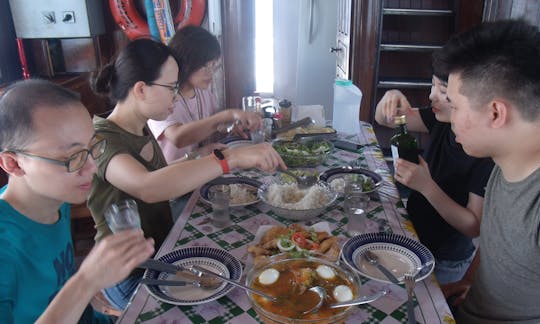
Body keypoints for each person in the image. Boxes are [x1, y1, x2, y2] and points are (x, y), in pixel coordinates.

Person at [89, 38, 285, 310]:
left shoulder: (137, 126)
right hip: (128, 273)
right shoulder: (101, 139)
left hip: (162, 253)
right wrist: (231, 158)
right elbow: (148, 187)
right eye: (171, 88)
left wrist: (204, 157)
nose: (176, 95)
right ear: (141, 90)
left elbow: (160, 174)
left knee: (246, 271)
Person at [0, 79, 154, 323]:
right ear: (14, 163)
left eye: (92, 147)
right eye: (72, 157)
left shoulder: (55, 199)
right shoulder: (5, 247)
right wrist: (86, 282)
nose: (92, 167)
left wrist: (88, 290)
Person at [436, 19, 540, 322]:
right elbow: (501, 250)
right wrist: (472, 281)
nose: (451, 118)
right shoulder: (504, 161)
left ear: (496, 113)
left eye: (454, 106)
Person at [374, 61, 494, 284]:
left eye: (443, 91)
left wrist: (426, 186)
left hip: (445, 259)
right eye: (432, 86)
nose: (431, 96)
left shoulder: (484, 154)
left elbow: (472, 226)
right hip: (416, 237)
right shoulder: (440, 119)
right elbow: (384, 119)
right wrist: (391, 97)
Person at [148, 25, 262, 163]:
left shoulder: (202, 91)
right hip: (173, 175)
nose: (211, 73)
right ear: (186, 61)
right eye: (205, 66)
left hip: (201, 168)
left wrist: (232, 126)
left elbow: (216, 125)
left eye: (213, 65)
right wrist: (229, 114)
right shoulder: (163, 95)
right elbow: (178, 137)